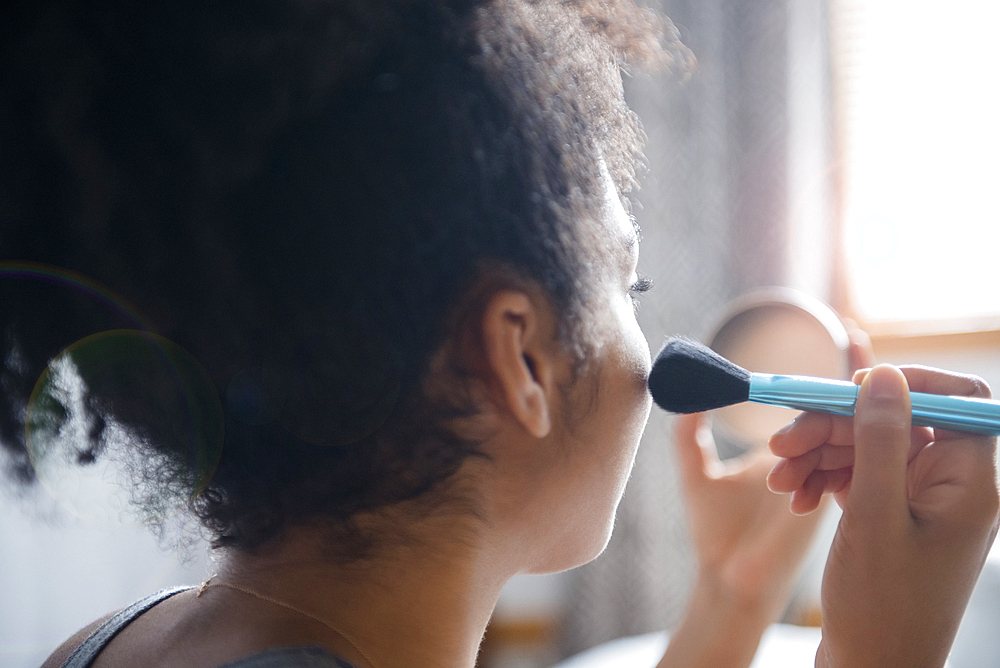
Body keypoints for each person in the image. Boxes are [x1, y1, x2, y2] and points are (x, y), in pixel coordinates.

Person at [0, 1, 996, 667]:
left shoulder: (110, 642)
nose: (648, 341)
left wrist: (733, 597)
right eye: (627, 281)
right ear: (519, 355)